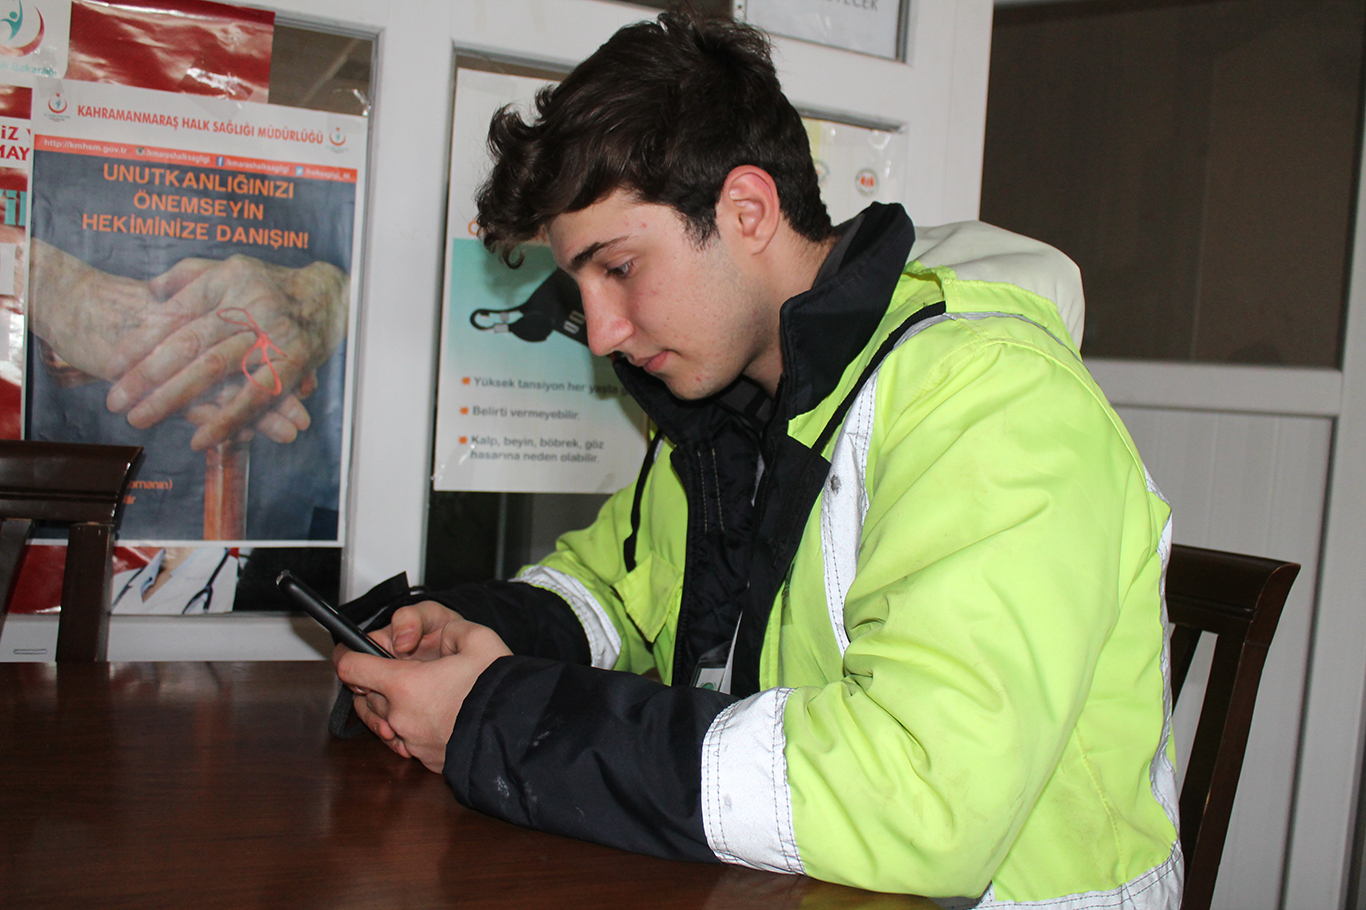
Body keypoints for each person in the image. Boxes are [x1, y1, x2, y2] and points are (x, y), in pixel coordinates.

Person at [334, 12, 1180, 907]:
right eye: (580, 285)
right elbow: (617, 588)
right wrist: (472, 635)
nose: (602, 333)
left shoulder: (993, 402)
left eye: (618, 268)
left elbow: (921, 798)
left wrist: (501, 718)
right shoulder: (729, 409)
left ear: (747, 210)